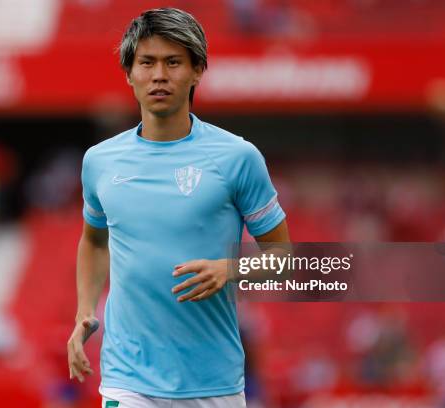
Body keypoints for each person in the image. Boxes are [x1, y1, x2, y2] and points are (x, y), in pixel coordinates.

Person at [67, 8, 290, 407]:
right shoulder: (100, 161)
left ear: (197, 70)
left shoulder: (237, 157)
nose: (159, 75)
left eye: (173, 62)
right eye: (146, 62)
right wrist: (84, 312)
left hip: (213, 384)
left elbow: (281, 256)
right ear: (129, 73)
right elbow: (94, 242)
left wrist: (230, 269)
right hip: (127, 380)